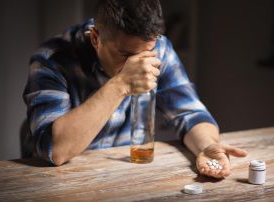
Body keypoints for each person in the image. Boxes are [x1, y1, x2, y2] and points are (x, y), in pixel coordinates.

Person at [23, 0, 247, 178]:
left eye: (145, 52)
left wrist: (207, 147)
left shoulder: (159, 48)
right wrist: (120, 84)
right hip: (57, 177)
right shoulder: (51, 59)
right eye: (126, 55)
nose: (138, 64)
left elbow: (189, 113)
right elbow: (56, 150)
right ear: (95, 38)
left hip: (125, 170)